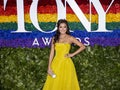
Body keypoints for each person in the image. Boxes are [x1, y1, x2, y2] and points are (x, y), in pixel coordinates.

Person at [42, 19, 86, 90]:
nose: (62, 29)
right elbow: (52, 53)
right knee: (54, 84)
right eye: (61, 27)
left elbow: (83, 46)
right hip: (56, 64)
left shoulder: (70, 38)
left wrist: (72, 54)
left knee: (66, 84)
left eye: (64, 27)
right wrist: (49, 67)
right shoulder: (54, 38)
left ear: (67, 28)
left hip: (67, 64)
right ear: (58, 28)